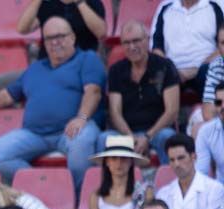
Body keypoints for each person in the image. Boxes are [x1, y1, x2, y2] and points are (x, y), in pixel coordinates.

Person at [0, 16, 104, 194]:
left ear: (72, 37)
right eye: (49, 38)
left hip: (71, 130)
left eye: (60, 36)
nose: (55, 42)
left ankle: (77, 196)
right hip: (35, 134)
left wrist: (81, 118)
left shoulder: (87, 59)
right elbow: (6, 96)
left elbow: (93, 91)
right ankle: (43, 189)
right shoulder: (35, 69)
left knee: (82, 142)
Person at [101, 21, 180, 164]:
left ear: (147, 40)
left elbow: (172, 111)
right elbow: (115, 112)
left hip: (158, 131)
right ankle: (114, 186)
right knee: (103, 139)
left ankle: (170, 183)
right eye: (126, 43)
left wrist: (147, 137)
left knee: (168, 137)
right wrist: (130, 137)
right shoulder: (116, 71)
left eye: (136, 41)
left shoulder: (165, 66)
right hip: (126, 133)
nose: (132, 47)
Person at [150, 0, 224, 93]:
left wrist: (197, 69)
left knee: (213, 72)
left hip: (206, 67)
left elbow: (222, 45)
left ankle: (213, 107)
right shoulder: (166, 8)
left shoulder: (214, 6)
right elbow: (156, 48)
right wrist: (170, 70)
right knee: (157, 76)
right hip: (173, 71)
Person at [16, 0, 107, 53]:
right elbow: (22, 29)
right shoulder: (47, 3)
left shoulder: (92, 2)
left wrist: (79, 3)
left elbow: (101, 33)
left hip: (82, 64)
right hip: (50, 63)